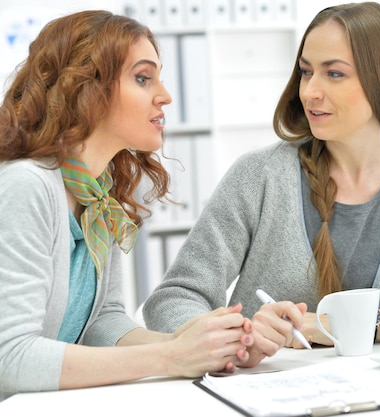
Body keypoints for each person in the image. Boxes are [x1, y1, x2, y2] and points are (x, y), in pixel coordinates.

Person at [144, 2, 380, 367]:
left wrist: (358, 324)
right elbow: (174, 299)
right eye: (306, 72)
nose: (310, 92)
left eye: (334, 74)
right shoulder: (259, 177)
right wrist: (239, 338)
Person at [0, 10, 253, 402]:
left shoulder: (99, 193)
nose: (165, 95)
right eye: (142, 78)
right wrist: (169, 356)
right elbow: (10, 358)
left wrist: (191, 345)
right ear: (85, 88)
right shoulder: (26, 185)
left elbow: (102, 322)